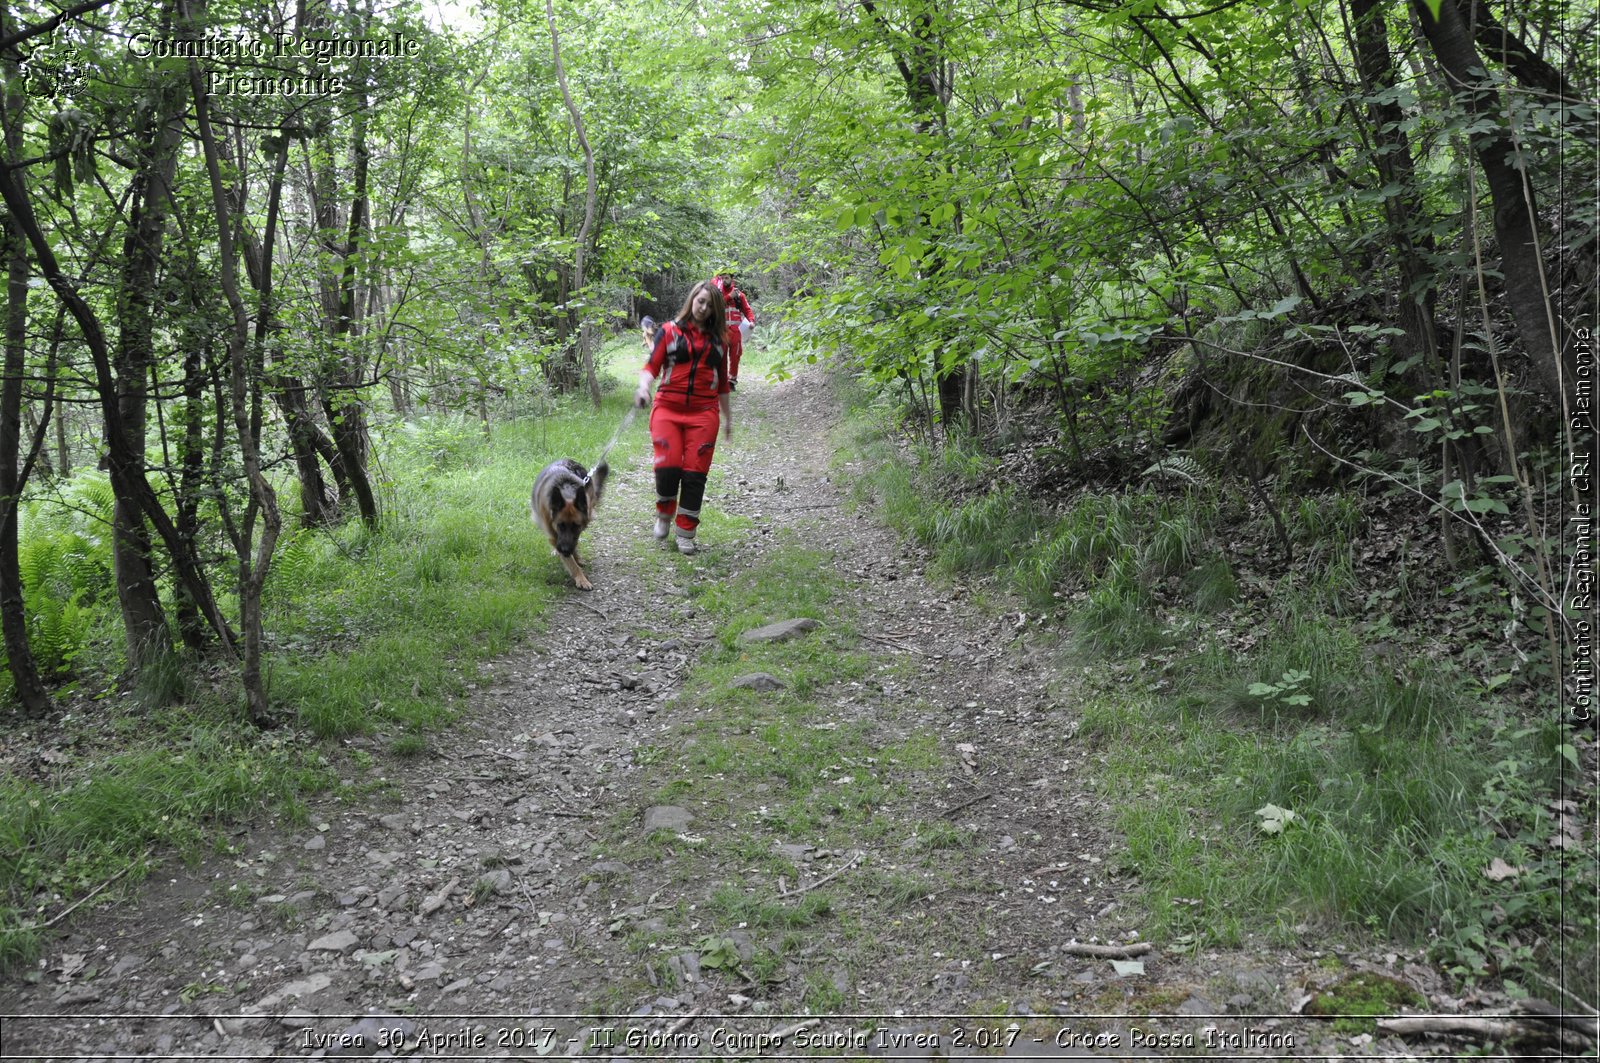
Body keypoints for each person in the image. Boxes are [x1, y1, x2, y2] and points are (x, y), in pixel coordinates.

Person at [634, 280, 733, 555]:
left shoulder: (720, 340)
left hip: (704, 413)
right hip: (667, 408)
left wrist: (728, 420)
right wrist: (643, 388)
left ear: (716, 310)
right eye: (700, 301)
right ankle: (664, 513)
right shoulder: (668, 331)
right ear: (692, 300)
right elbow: (651, 366)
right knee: (667, 467)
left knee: (694, 473)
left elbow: (722, 383)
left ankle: (686, 532)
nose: (703, 308)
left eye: (709, 305)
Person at [713, 274, 754, 389]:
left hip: (736, 331)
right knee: (722, 356)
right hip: (722, 330)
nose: (725, 280)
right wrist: (729, 296)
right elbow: (716, 306)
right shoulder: (718, 295)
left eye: (727, 278)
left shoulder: (739, 295)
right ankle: (722, 380)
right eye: (723, 278)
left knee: (735, 355)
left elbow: (747, 310)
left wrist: (751, 321)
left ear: (732, 279)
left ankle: (732, 380)